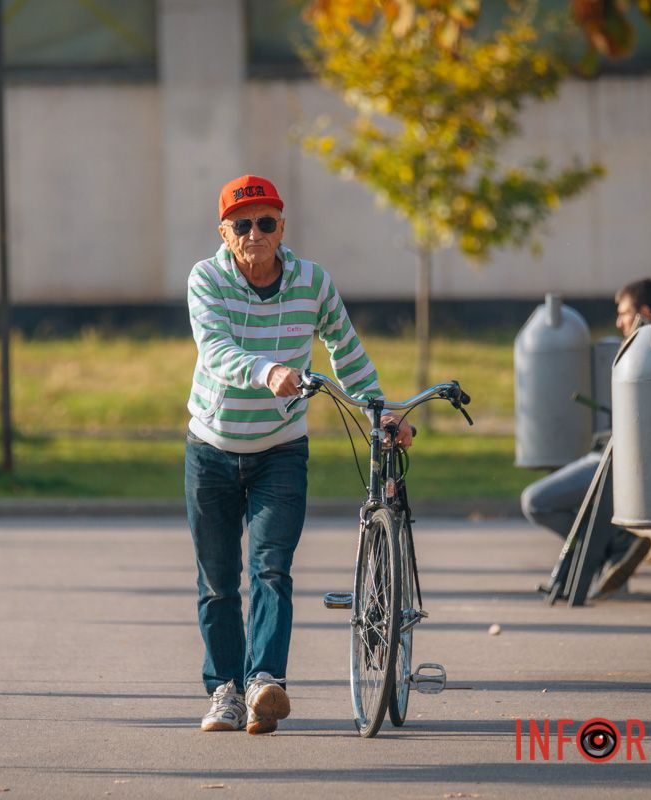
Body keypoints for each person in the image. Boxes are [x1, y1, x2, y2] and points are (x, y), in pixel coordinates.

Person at [185, 174, 411, 734]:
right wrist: (268, 370)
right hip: (212, 448)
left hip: (281, 449)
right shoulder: (206, 279)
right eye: (243, 225)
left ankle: (265, 683)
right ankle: (226, 692)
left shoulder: (312, 282)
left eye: (266, 222)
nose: (255, 233)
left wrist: (379, 411)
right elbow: (215, 350)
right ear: (224, 232)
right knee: (217, 582)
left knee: (271, 568)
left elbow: (346, 350)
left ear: (283, 227)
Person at [521, 278, 651, 598]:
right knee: (539, 500)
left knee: (536, 501)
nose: (618, 322)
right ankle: (617, 547)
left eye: (623, 313)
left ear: (644, 312)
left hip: (626, 464)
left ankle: (618, 545)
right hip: (631, 459)